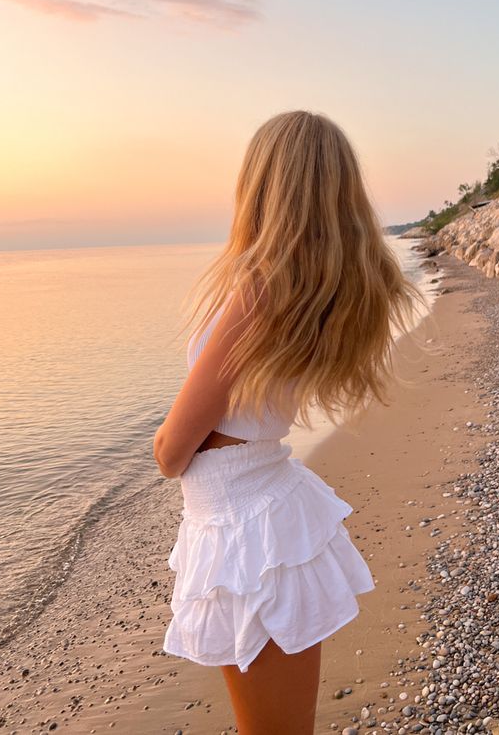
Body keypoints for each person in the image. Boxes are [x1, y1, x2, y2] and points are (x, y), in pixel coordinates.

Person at [153, 110, 425, 734]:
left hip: (245, 524)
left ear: (263, 184)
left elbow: (173, 450)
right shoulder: (315, 290)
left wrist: (160, 440)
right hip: (262, 508)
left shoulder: (258, 290)